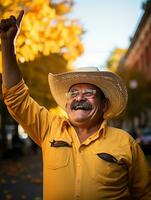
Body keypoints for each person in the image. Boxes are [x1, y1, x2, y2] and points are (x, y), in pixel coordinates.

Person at [0, 10, 151, 200]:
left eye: (88, 93)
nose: (79, 98)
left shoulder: (126, 143)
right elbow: (16, 97)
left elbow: (145, 195)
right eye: (73, 93)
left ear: (104, 104)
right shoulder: (49, 128)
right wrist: (7, 46)